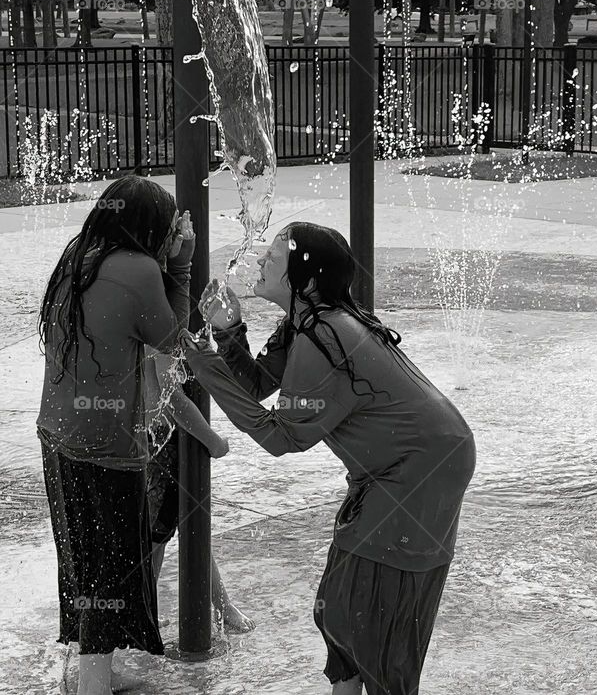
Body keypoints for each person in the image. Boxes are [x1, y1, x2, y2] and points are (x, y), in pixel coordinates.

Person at [179, 222, 476, 695]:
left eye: (273, 257)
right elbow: (259, 386)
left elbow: (280, 436)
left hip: (418, 470)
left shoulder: (326, 335)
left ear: (307, 280)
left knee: (374, 627)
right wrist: (229, 332)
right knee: (340, 611)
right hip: (408, 463)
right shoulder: (308, 324)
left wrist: (206, 366)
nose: (259, 261)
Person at [36, 175, 193, 695]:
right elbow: (172, 340)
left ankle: (85, 673)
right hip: (104, 445)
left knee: (82, 559)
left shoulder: (79, 253)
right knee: (110, 570)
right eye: (168, 227)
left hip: (56, 436)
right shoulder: (141, 268)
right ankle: (93, 685)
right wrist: (181, 264)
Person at [143, 348, 255, 633]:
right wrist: (213, 440)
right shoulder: (165, 325)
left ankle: (219, 605)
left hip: (160, 438)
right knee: (159, 536)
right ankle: (145, 613)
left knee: (186, 529)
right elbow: (172, 397)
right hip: (165, 442)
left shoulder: (161, 318)